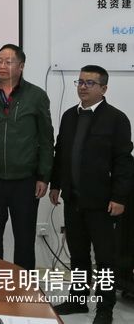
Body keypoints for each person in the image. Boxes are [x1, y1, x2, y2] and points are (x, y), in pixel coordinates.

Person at [49, 65, 134, 324]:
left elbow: (123, 162)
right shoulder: (69, 116)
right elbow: (61, 153)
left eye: (90, 83)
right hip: (74, 199)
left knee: (105, 259)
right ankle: (78, 299)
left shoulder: (116, 119)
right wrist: (56, 184)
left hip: (103, 202)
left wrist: (119, 197)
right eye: (80, 82)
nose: (83, 87)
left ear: (103, 88)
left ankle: (105, 308)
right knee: (78, 255)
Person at [0, 43, 53, 270]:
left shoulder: (36, 96)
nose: (2, 66)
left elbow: (46, 139)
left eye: (8, 62)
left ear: (21, 66)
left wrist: (44, 176)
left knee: (25, 240)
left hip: (25, 181)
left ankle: (24, 287)